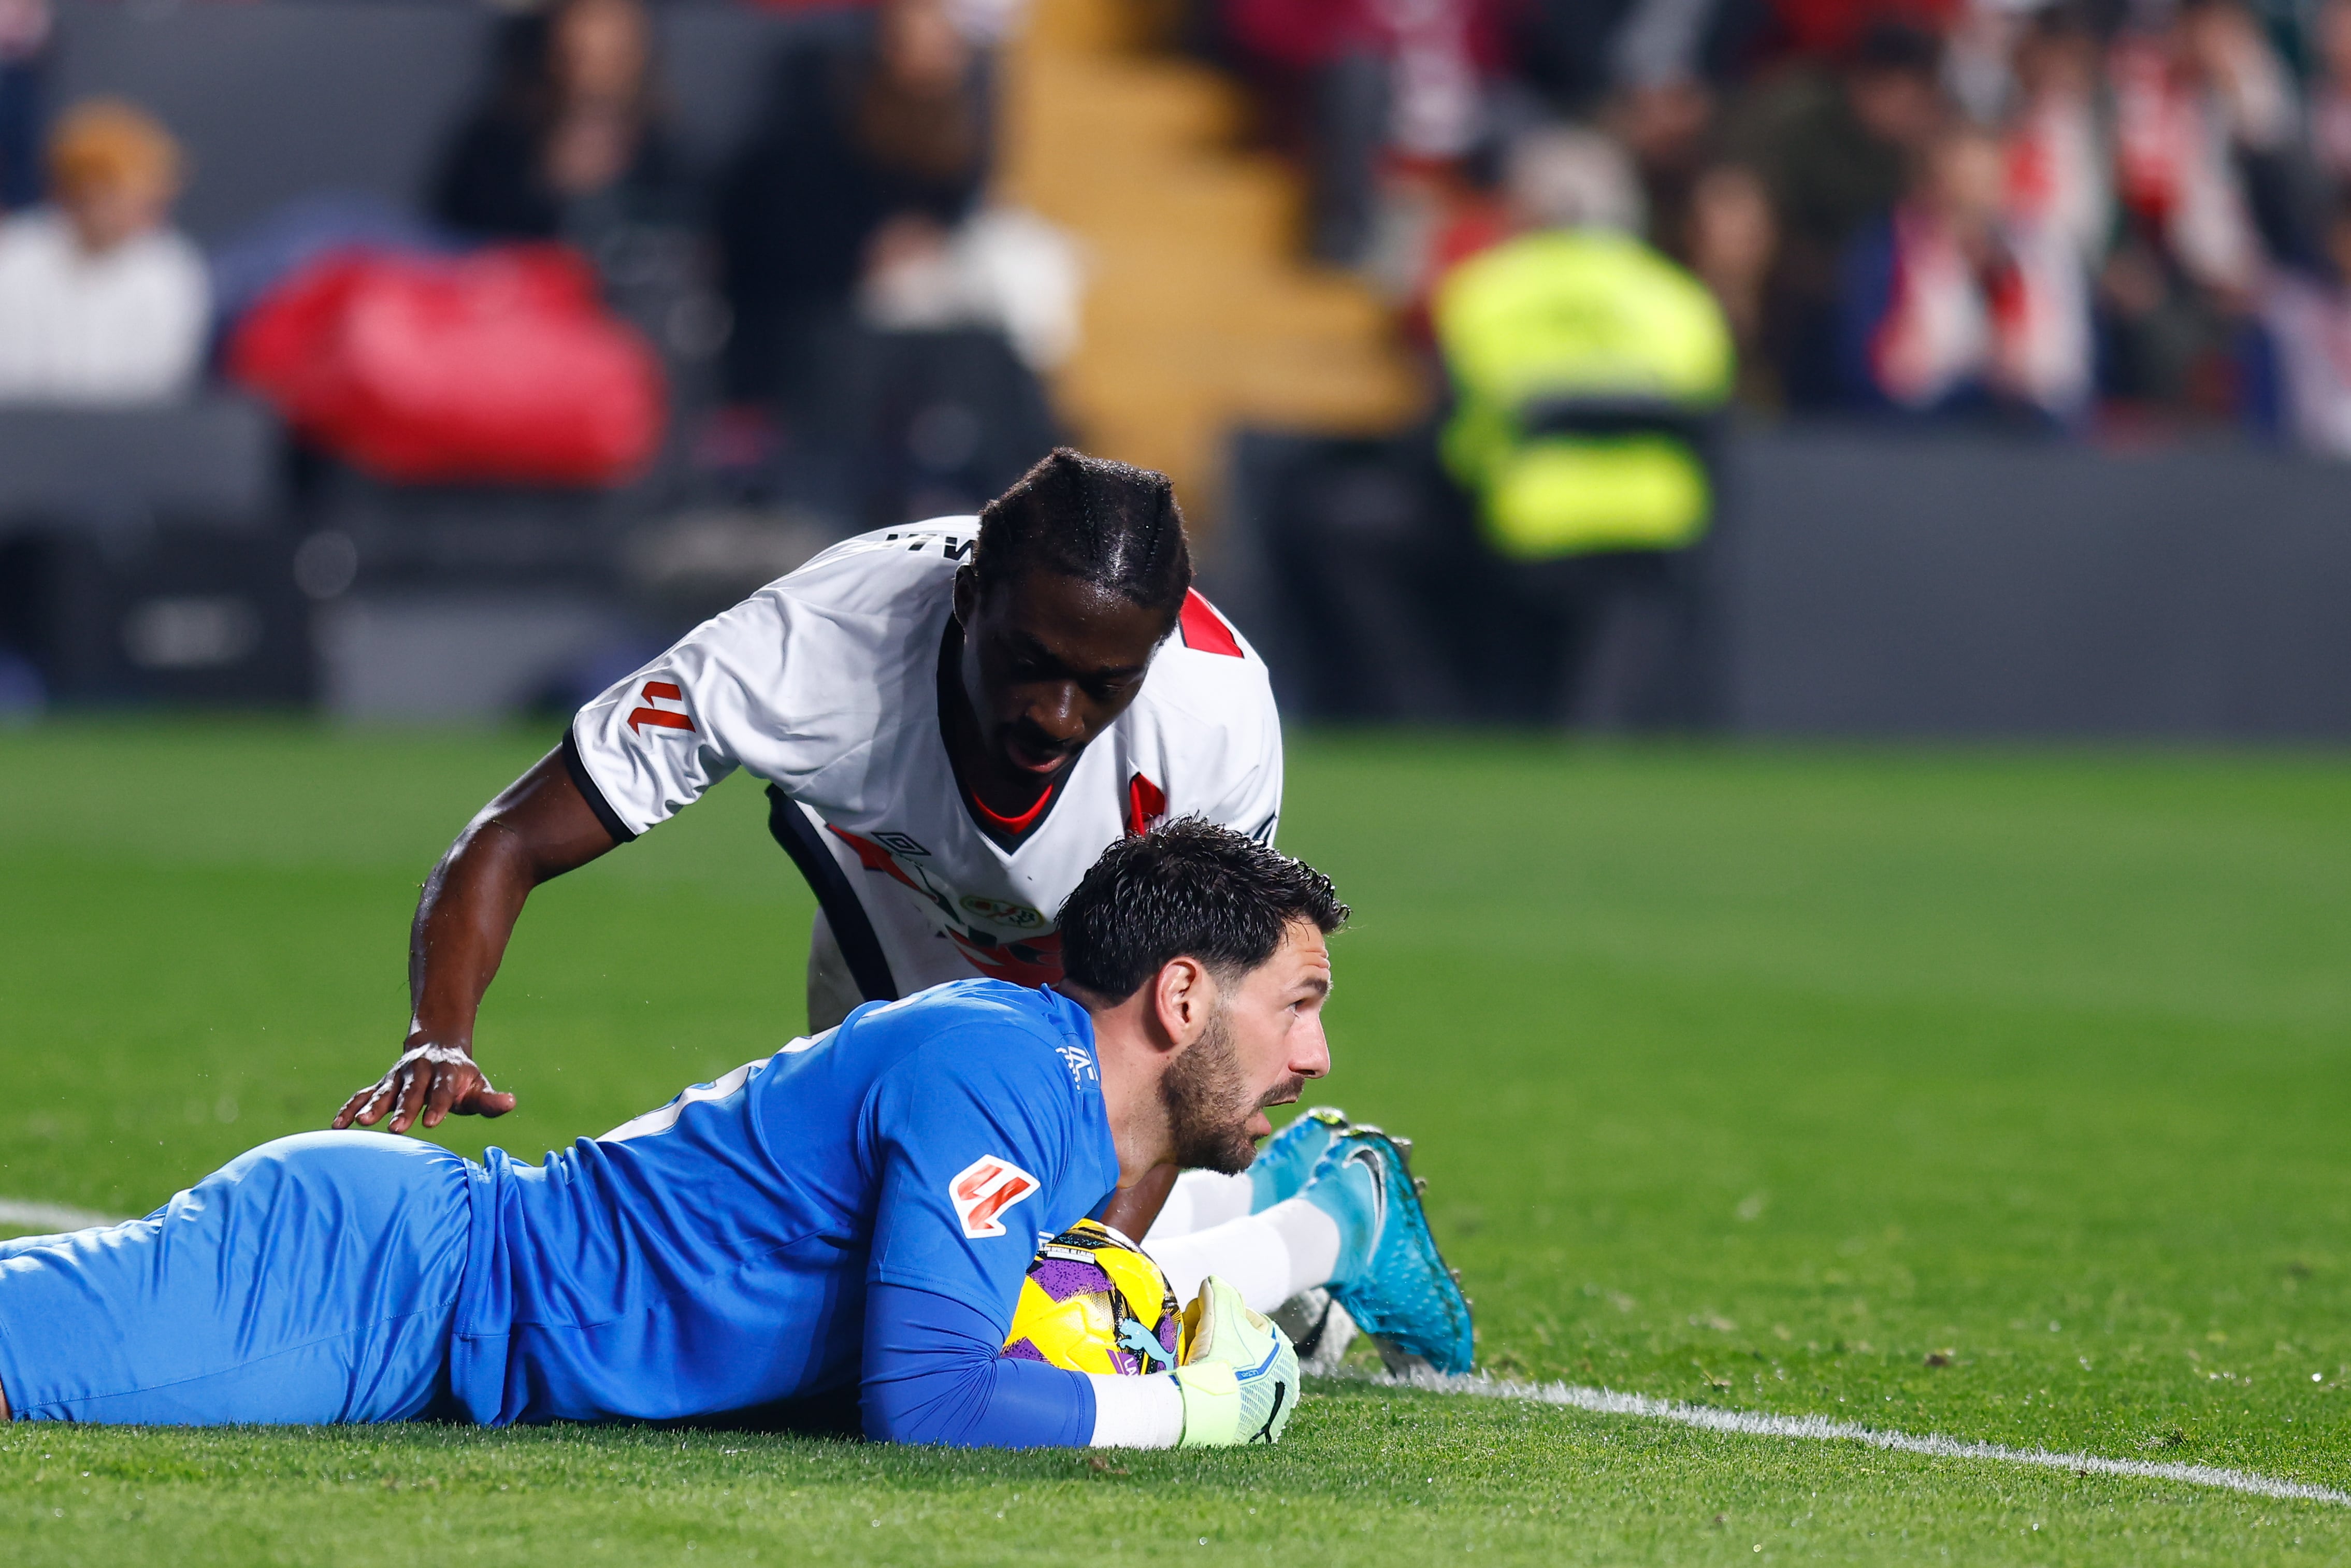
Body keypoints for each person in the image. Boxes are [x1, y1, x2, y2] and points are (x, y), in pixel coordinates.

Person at [0, 824, 1470, 1437]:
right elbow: (936, 1402)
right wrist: (1195, 1406)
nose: (1317, 1046)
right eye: (1297, 1004)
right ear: (1177, 994)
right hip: (387, 1284)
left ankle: (1329, 1217)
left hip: (431, 1294)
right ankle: (1329, 1216)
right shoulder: (1000, 1075)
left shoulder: (1041, 1090)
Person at [331, 449, 1282, 1245]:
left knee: (1044, 1273)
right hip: (902, 912)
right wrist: (439, 1034)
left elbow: (1182, 1045)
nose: (1055, 713)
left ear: (1151, 659)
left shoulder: (1215, 725)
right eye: (1026, 663)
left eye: (1101, 683)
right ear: (965, 600)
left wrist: (1094, 1266)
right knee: (857, 1238)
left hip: (1112, 970)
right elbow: (510, 838)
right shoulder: (811, 648)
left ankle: (1311, 1212)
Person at [0, 97, 207, 405]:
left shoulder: (172, 272)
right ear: (77, 191)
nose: (132, 211)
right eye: (115, 194)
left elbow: (159, 388)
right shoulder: (13, 257)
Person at [429, 0, 689, 243]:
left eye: (617, 48)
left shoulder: (667, 153)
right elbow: (455, 230)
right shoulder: (501, 139)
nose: (600, 46)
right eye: (584, 49)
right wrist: (548, 182)